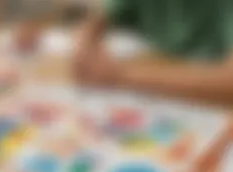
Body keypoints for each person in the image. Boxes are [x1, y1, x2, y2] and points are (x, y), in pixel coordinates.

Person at [74, 0, 233, 101]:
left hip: (209, 99)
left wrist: (121, 76)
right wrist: (85, 43)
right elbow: (99, 18)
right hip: (165, 87)